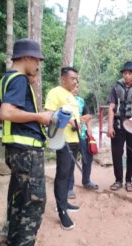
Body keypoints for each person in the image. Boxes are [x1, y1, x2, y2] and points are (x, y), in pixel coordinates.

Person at [0, 38, 52, 246]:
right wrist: (40, 117)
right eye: (37, 60)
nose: (38, 65)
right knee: (32, 205)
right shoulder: (19, 79)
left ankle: (12, 244)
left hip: (15, 150)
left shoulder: (6, 79)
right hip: (27, 151)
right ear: (28, 57)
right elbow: (6, 112)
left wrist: (33, 77)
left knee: (18, 202)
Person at [45, 66, 80, 230]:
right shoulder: (55, 92)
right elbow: (48, 116)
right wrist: (66, 120)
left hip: (74, 140)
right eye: (72, 78)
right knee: (62, 175)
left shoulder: (71, 96)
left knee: (68, 174)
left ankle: (65, 202)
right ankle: (62, 212)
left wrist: (76, 124)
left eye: (76, 79)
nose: (75, 81)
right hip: (63, 141)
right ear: (63, 79)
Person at [107, 61, 132, 192]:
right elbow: (111, 107)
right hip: (117, 125)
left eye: (130, 73)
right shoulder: (116, 87)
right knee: (116, 153)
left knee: (131, 154)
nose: (127, 76)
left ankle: (129, 181)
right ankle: (118, 180)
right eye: (125, 73)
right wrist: (109, 126)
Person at [67, 83, 98, 193]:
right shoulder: (65, 100)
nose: (76, 88)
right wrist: (79, 119)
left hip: (83, 135)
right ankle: (69, 188)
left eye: (77, 87)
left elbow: (89, 115)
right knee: (70, 161)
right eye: (74, 86)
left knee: (88, 159)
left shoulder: (81, 101)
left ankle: (86, 181)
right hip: (70, 137)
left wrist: (89, 129)